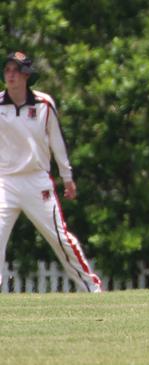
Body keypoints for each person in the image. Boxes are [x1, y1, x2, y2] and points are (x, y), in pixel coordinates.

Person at [0, 51, 102, 292]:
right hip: (5, 182)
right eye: (7, 70)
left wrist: (67, 178)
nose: (10, 75)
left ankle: (92, 288)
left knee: (60, 238)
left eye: (16, 70)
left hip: (37, 181)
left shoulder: (44, 104)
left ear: (26, 75)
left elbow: (57, 142)